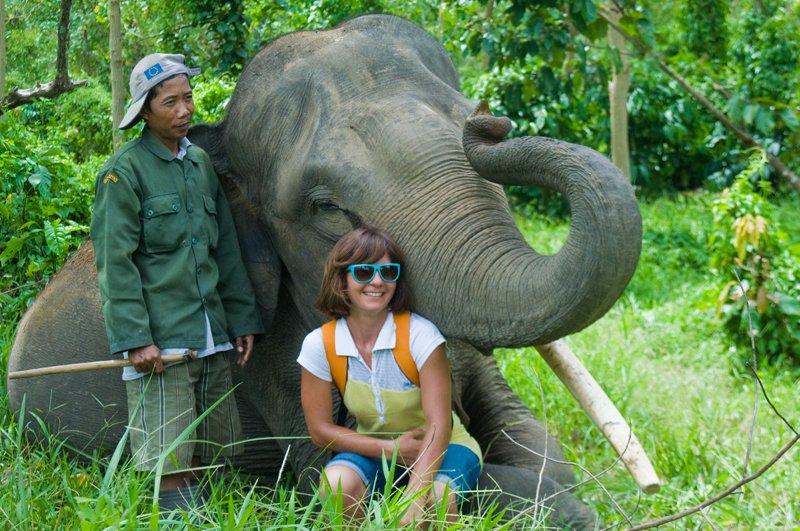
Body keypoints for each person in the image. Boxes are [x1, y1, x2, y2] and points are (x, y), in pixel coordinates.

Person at [91, 53, 264, 511]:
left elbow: (224, 247)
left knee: (211, 452)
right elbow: (115, 262)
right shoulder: (122, 172)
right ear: (144, 110)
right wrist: (135, 339)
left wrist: (241, 319)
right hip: (162, 344)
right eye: (170, 102)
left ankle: (207, 518)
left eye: (188, 98)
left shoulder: (200, 162)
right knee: (169, 459)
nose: (185, 110)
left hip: (208, 332)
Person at [297, 226, 482, 526]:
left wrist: (415, 495)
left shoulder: (422, 336)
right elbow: (319, 430)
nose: (378, 282)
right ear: (342, 280)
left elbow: (439, 426)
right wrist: (391, 449)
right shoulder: (320, 344)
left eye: (388, 272)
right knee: (335, 485)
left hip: (444, 448)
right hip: (374, 449)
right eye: (364, 272)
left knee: (437, 498)